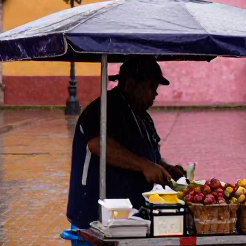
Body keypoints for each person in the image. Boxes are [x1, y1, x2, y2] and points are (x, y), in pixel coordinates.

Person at [66, 57, 186, 229]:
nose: (155, 94)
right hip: (97, 214)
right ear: (131, 84)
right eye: (151, 87)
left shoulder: (141, 116)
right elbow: (97, 145)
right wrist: (145, 166)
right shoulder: (104, 108)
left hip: (131, 214)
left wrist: (166, 168)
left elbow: (144, 154)